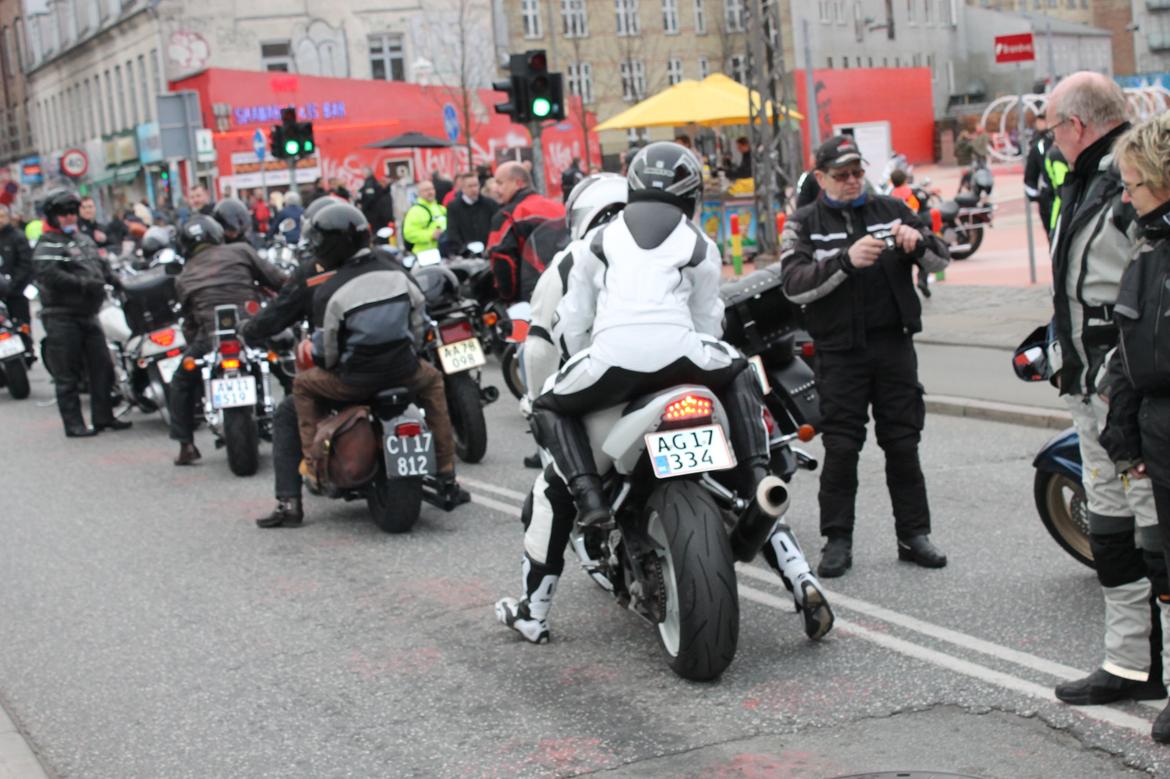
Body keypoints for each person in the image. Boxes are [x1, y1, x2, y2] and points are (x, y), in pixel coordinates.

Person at [495, 143, 827, 644]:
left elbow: (563, 332)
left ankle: (552, 574)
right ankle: (767, 496)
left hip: (611, 375)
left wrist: (580, 374)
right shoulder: (697, 240)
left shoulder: (585, 249)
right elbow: (709, 320)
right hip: (686, 366)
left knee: (548, 430)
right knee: (740, 383)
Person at [1045, 71, 1165, 708]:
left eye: (1053, 129)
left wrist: (1124, 375)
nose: (1051, 142)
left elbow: (1148, 285)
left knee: (1155, 535)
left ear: (1076, 124)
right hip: (1091, 389)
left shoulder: (1132, 175)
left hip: (1128, 393)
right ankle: (1129, 664)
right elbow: (1080, 285)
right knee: (1112, 533)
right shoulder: (1088, 178)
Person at [780, 135, 950, 579]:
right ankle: (837, 541)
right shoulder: (803, 222)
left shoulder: (892, 209)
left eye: (858, 172)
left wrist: (917, 244)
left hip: (894, 346)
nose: (853, 181)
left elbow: (941, 259)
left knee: (903, 443)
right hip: (839, 353)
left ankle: (914, 535)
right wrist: (844, 261)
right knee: (841, 448)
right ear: (821, 178)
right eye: (842, 175)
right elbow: (793, 285)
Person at [283, 203, 468, 522]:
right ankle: (446, 469)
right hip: (405, 372)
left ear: (330, 246)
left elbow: (327, 354)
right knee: (434, 381)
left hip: (353, 383)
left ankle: (314, 468)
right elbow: (418, 324)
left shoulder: (330, 291)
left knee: (301, 386)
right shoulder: (397, 271)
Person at [1099, 112, 1170, 742]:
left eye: (1132, 185)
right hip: (1157, 430)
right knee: (1166, 564)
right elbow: (1126, 352)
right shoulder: (1147, 251)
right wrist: (1123, 439)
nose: (1125, 198)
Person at [168, 215, 287, 465]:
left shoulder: (184, 276)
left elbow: (189, 322)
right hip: (250, 330)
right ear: (217, 234)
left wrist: (195, 344)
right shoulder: (241, 251)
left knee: (180, 381)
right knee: (287, 368)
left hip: (209, 338)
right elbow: (278, 281)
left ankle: (186, 445)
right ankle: (303, 429)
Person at [32, 189, 132, 437]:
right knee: (67, 375)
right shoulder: (46, 244)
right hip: (61, 316)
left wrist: (117, 281)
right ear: (53, 216)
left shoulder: (84, 239)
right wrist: (83, 284)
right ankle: (74, 424)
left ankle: (104, 417)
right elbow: (49, 275)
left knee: (103, 367)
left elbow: (101, 266)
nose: (69, 217)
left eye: (72, 212)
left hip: (90, 313)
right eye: (63, 213)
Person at [486, 162, 565, 304]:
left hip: (532, 296)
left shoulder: (507, 216)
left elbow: (503, 262)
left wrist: (508, 301)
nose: (496, 189)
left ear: (518, 183)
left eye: (500, 183)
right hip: (567, 287)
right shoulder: (559, 208)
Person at [0, 204, 33, 352]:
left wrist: (12, 284)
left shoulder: (17, 236)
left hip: (17, 292)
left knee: (22, 325)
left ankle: (27, 350)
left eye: (1, 216)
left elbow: (26, 264)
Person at [445, 173, 498, 255]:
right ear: (463, 188)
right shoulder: (454, 207)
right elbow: (452, 231)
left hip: (488, 251)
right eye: (470, 186)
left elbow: (495, 226)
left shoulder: (490, 204)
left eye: (476, 185)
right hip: (465, 253)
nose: (474, 189)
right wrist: (464, 250)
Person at [1024, 112, 1056, 239]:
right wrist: (1040, 198)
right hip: (1049, 200)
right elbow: (1030, 178)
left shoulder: (1062, 140)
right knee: (1053, 237)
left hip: (1067, 196)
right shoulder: (1038, 146)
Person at [401, 179, 447, 254]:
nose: (430, 192)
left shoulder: (441, 209)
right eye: (426, 190)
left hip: (443, 252)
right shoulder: (415, 211)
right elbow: (409, 234)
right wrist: (431, 235)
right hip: (424, 254)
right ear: (419, 193)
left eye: (432, 189)